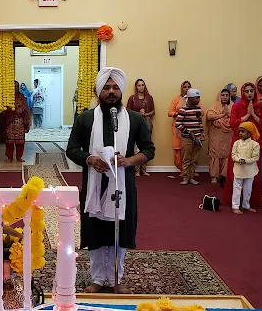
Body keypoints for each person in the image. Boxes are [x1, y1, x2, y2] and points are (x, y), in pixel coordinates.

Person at [66, 66, 155, 294]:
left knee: (119, 231)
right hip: (95, 183)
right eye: (106, 87)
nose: (111, 92)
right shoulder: (85, 119)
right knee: (96, 232)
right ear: (98, 91)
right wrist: (90, 158)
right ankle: (97, 279)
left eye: (115, 87)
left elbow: (149, 150)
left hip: (123, 184)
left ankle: (116, 278)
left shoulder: (135, 119)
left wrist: (128, 161)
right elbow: (72, 149)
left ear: (122, 91)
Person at [222, 82, 262, 209]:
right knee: (237, 172)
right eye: (246, 91)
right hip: (239, 142)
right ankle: (235, 203)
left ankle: (249, 203)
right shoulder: (237, 106)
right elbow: (233, 123)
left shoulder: (261, 106)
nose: (249, 93)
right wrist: (247, 115)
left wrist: (253, 114)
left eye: (251, 91)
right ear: (243, 93)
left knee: (252, 172)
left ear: (255, 92)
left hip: (254, 143)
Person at [126, 79, 155, 176]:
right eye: (139, 85)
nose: (141, 87)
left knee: (145, 146)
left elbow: (153, 112)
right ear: (136, 87)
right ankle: (136, 170)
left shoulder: (149, 98)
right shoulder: (132, 98)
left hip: (146, 124)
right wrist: (139, 114)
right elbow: (127, 112)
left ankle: (144, 169)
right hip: (135, 124)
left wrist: (145, 114)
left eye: (143, 85)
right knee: (135, 147)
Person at [175, 88, 204, 185]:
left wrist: (201, 134)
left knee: (194, 159)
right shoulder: (183, 110)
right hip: (187, 139)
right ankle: (185, 177)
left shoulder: (198, 109)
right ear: (191, 99)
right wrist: (188, 132)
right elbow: (178, 124)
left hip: (197, 138)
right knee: (186, 158)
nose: (199, 100)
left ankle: (191, 177)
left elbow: (200, 122)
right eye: (197, 98)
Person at [231, 122, 261, 215]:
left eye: (243, 132)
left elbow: (256, 157)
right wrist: (239, 159)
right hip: (238, 169)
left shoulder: (255, 144)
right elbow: (233, 154)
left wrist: (246, 161)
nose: (240, 133)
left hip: (250, 170)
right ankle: (235, 206)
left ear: (249, 133)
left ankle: (246, 205)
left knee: (248, 189)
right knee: (236, 188)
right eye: (239, 131)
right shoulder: (236, 143)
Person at [205, 89, 232, 185]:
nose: (225, 97)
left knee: (226, 154)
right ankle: (214, 176)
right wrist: (223, 114)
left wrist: (227, 115)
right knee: (215, 154)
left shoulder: (232, 106)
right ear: (219, 96)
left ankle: (223, 175)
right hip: (216, 134)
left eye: (227, 95)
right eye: (223, 95)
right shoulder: (214, 106)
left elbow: (235, 118)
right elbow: (209, 116)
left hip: (228, 135)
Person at [2, 81, 31, 163]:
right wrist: (11, 111)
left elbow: (26, 109)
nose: (15, 88)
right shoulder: (7, 97)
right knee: (9, 142)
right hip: (10, 122)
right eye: (13, 86)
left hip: (20, 122)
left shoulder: (22, 97)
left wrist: (21, 110)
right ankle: (9, 157)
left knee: (20, 142)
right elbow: (4, 109)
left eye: (16, 86)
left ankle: (19, 157)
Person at [167, 80, 190, 176]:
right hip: (178, 128)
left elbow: (201, 112)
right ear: (181, 88)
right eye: (185, 87)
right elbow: (169, 112)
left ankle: (189, 169)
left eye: (188, 87)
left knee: (189, 148)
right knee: (178, 148)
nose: (187, 89)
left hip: (190, 127)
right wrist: (177, 113)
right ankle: (182, 169)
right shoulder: (176, 99)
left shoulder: (194, 99)